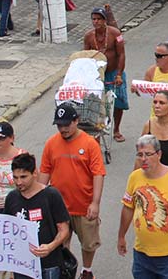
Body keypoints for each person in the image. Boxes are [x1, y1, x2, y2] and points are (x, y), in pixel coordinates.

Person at [0, 152, 70, 279]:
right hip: (22, 266)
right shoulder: (12, 198)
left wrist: (50, 247)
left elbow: (64, 230)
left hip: (49, 265)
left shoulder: (51, 195)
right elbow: (3, 231)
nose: (19, 182)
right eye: (15, 177)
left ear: (34, 173)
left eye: (23, 177)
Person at [39, 103, 106, 279]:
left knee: (89, 243)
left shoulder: (90, 144)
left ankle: (86, 270)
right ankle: (65, 270)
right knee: (61, 243)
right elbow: (44, 172)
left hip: (84, 206)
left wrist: (95, 203)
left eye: (66, 124)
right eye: (59, 125)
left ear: (76, 121)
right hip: (59, 207)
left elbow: (98, 174)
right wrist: (38, 199)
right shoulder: (51, 144)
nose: (63, 129)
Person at [118, 135, 168, 279]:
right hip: (142, 254)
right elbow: (128, 208)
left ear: (159, 154)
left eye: (148, 154)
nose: (144, 159)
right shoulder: (134, 178)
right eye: (140, 155)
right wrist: (121, 236)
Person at [83, 7, 128, 142]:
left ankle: (116, 130)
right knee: (97, 103)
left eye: (99, 19)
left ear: (104, 20)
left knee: (118, 102)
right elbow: (86, 57)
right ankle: (97, 131)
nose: (96, 22)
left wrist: (119, 74)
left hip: (114, 72)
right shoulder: (88, 36)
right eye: (94, 19)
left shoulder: (115, 33)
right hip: (97, 75)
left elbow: (121, 54)